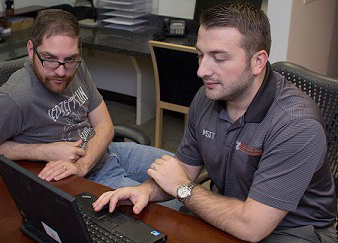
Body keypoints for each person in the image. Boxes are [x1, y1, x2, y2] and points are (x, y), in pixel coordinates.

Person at [92, 2, 337, 242]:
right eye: (201, 55)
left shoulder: (296, 125)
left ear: (258, 62)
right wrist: (143, 191)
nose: (201, 71)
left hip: (292, 230)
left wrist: (183, 188)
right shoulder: (208, 96)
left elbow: (252, 227)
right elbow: (184, 170)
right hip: (234, 209)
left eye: (218, 58)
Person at [0, 9, 172, 188]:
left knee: (180, 170)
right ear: (31, 50)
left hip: (105, 153)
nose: (61, 71)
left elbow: (105, 125)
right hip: (83, 180)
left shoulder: (77, 65)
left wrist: (83, 165)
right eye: (50, 59)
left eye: (69, 59)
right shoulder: (13, 98)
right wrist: (43, 152)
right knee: (171, 213)